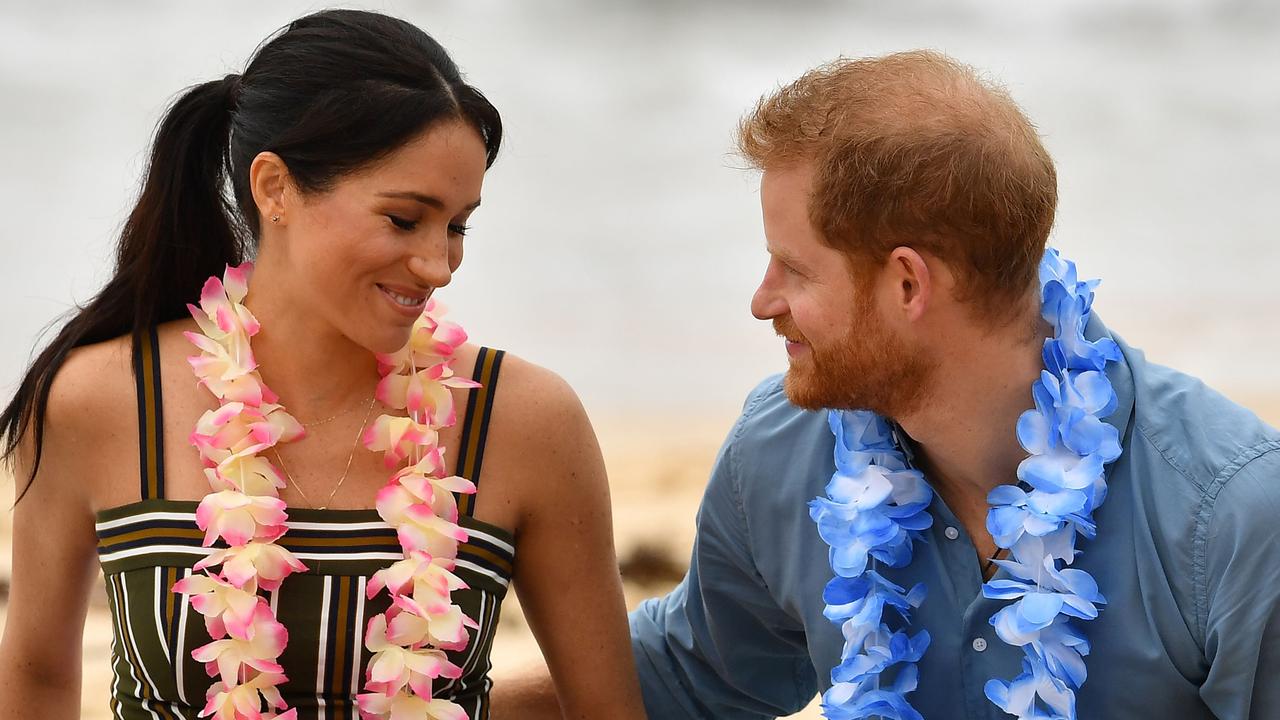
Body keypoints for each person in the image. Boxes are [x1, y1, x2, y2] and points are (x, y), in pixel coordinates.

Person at [492, 50, 1280, 720]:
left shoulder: (1232, 515)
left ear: (908, 284)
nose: (762, 301)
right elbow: (689, 675)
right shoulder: (780, 450)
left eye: (793, 269)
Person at [0, 10, 644, 720]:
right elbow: (36, 684)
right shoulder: (101, 399)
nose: (438, 264)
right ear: (275, 188)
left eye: (457, 225)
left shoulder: (525, 419)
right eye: (404, 219)